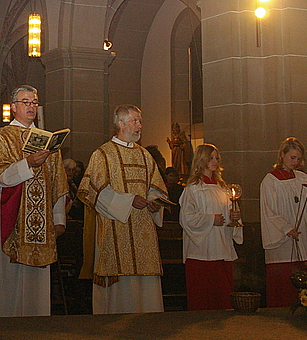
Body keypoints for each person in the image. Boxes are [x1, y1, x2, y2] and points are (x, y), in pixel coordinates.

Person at [0, 85, 69, 318]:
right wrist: (28, 163)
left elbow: (58, 183)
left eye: (34, 102)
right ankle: (1, 319)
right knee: (5, 274)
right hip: (9, 214)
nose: (31, 107)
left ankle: (35, 320)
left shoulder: (47, 140)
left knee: (36, 283)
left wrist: (59, 219)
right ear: (14, 107)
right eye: (25, 102)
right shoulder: (1, 136)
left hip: (41, 220)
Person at [77, 104, 167, 314]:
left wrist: (155, 204)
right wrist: (128, 201)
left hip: (143, 228)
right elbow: (96, 193)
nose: (139, 126)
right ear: (120, 123)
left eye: (140, 121)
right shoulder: (103, 154)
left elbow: (156, 188)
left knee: (146, 288)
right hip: (115, 227)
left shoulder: (145, 155)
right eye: (134, 121)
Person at [260, 137, 307, 307]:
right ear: (282, 155)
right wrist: (286, 228)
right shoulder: (270, 181)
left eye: (298, 159)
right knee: (285, 287)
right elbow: (269, 210)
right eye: (292, 157)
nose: (295, 162)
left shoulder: (302, 178)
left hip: (305, 236)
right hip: (283, 241)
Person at [179, 144, 242, 310]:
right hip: (201, 249)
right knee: (203, 295)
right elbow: (186, 218)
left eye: (217, 158)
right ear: (202, 160)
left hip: (221, 245)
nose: (215, 161)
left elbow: (228, 215)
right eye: (211, 158)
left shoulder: (223, 188)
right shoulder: (193, 188)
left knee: (222, 294)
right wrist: (210, 220)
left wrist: (233, 217)